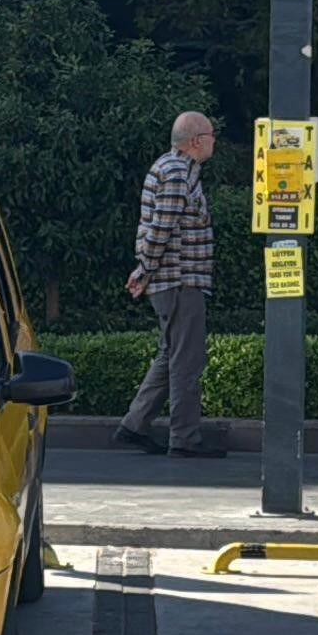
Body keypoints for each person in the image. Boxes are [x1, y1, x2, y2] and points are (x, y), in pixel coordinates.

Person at [117, 111, 226, 457]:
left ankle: (134, 425)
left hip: (173, 280)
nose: (214, 141)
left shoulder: (174, 169)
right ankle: (185, 439)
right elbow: (162, 228)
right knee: (187, 361)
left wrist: (144, 270)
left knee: (170, 356)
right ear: (196, 141)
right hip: (179, 279)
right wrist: (145, 269)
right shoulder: (178, 173)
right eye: (211, 135)